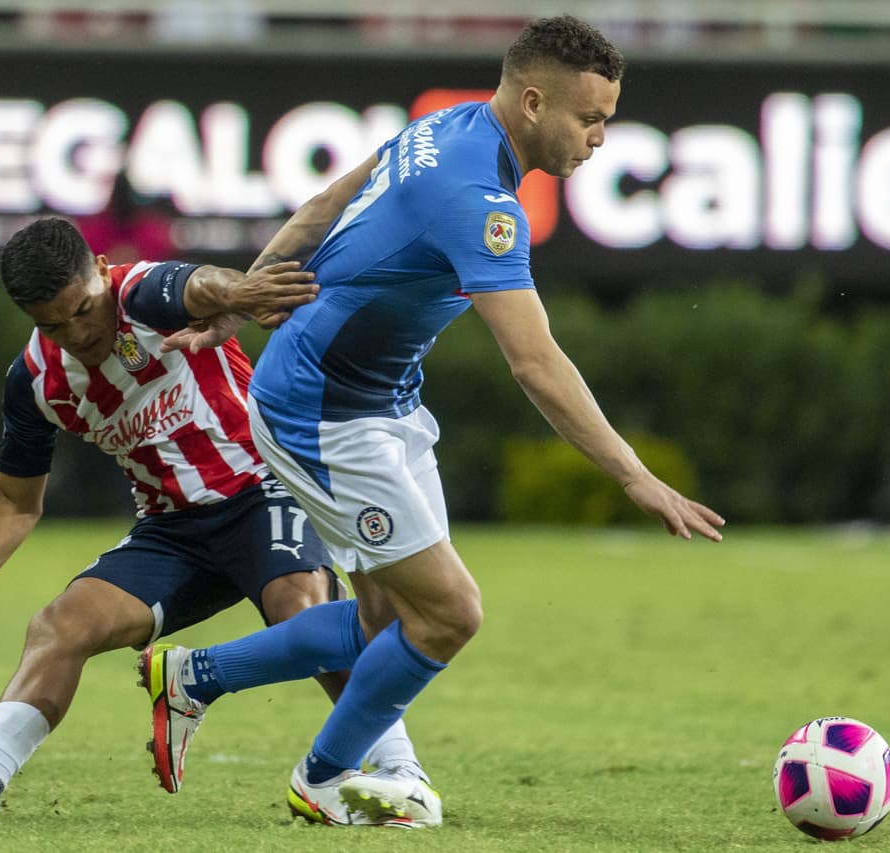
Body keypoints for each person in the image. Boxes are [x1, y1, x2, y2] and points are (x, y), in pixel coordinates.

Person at [144, 15, 726, 828]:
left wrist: (247, 294)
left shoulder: (450, 125)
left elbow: (322, 204)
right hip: (321, 411)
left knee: (389, 620)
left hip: (381, 402)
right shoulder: (478, 200)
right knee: (451, 612)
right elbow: (535, 362)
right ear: (532, 102)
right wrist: (635, 475)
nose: (601, 136)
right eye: (589, 118)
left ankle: (196, 675)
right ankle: (324, 778)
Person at [0, 217, 433, 822]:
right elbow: (14, 502)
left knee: (302, 608)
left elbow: (202, 286)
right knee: (59, 626)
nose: (76, 333)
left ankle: (399, 772)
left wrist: (236, 294)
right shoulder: (36, 381)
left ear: (103, 271)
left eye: (83, 309)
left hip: (265, 489)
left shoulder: (142, 294)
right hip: (172, 532)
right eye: (52, 323)